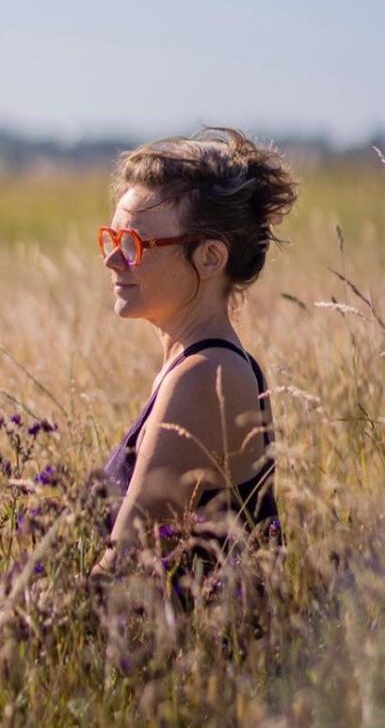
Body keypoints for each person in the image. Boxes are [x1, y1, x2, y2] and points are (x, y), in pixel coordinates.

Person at [90, 127, 297, 579]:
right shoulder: (197, 364)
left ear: (210, 258)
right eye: (113, 238)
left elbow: (123, 569)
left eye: (135, 245)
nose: (112, 259)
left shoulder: (205, 375)